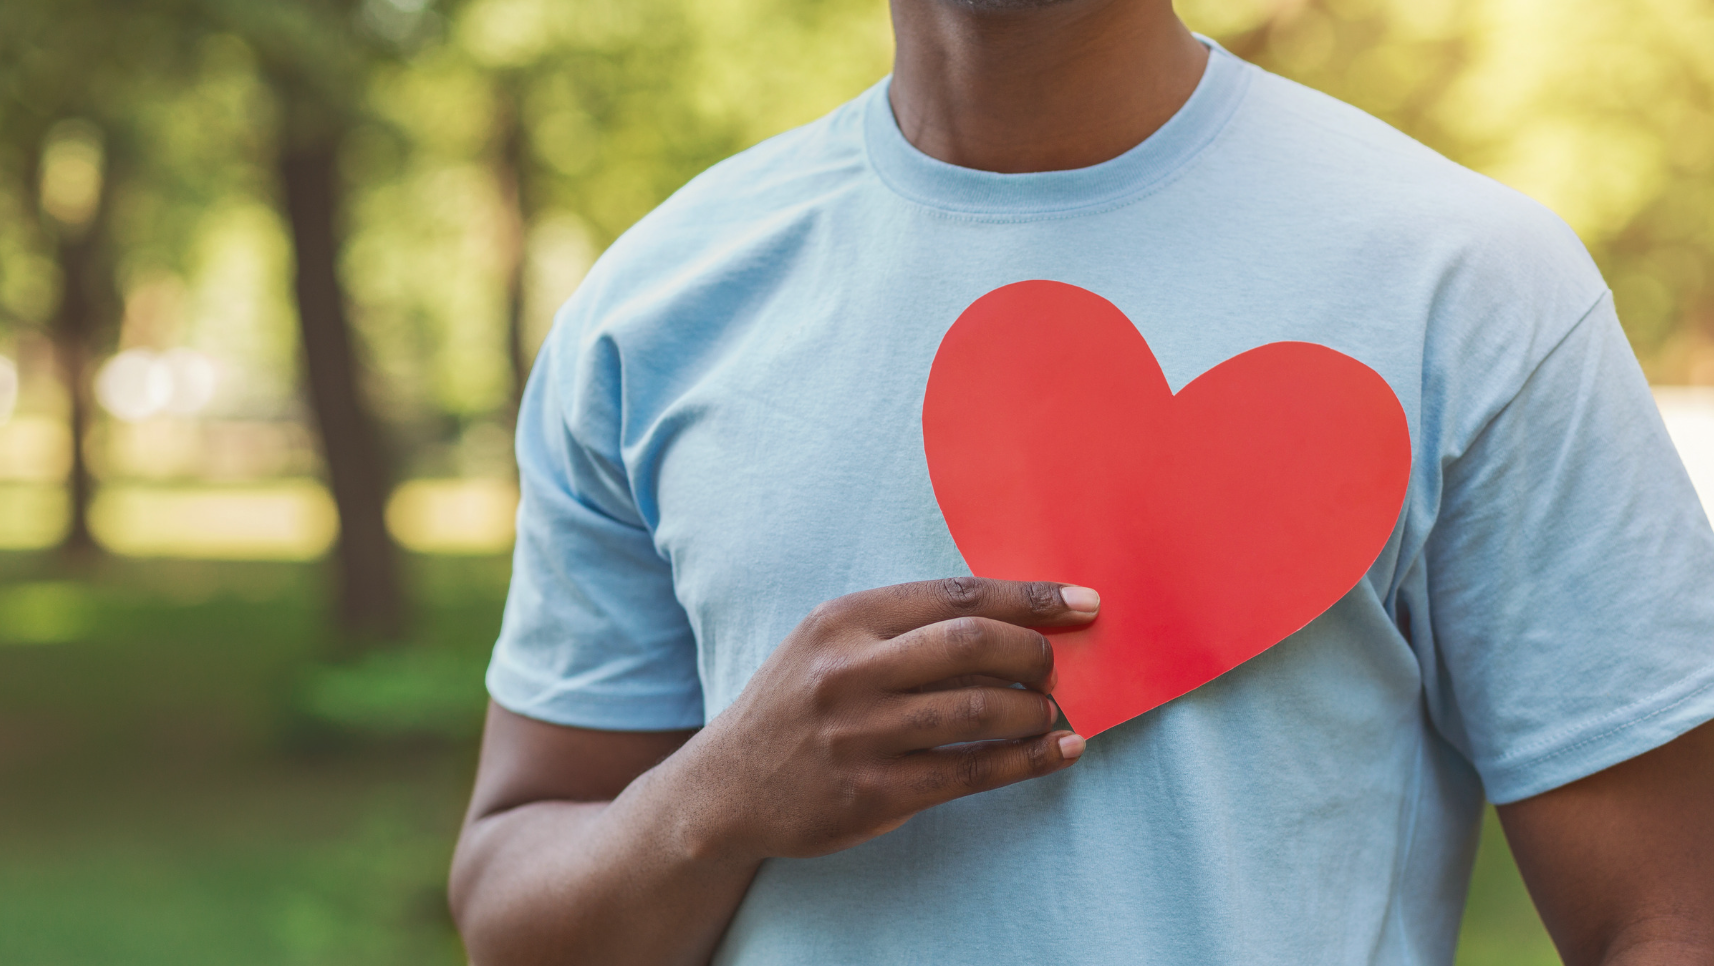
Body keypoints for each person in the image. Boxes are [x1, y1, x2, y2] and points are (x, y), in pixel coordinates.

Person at [448, 1, 1714, 963]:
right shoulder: (655, 305)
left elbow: (1666, 913)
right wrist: (716, 799)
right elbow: (511, 902)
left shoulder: (1468, 284)